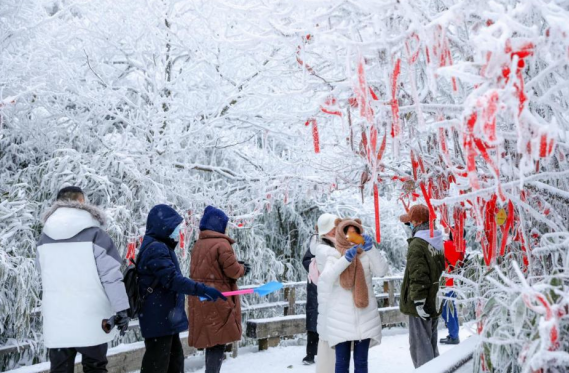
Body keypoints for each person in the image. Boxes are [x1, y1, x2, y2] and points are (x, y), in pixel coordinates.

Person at [36, 186, 130, 373]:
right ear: (81, 202)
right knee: (95, 368)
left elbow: (42, 272)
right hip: (91, 317)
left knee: (60, 370)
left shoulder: (44, 238)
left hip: (57, 320)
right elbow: (111, 277)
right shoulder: (96, 234)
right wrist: (122, 310)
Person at [137, 204, 226, 373]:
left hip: (163, 318)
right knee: (158, 365)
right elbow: (172, 279)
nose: (178, 232)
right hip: (158, 318)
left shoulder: (159, 245)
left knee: (174, 364)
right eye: (175, 228)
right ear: (164, 226)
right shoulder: (157, 248)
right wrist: (202, 290)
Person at [318, 218, 389, 373]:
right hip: (341, 320)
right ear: (341, 234)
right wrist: (346, 259)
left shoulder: (365, 255)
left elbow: (382, 271)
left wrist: (371, 250)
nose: (352, 236)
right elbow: (325, 280)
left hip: (365, 318)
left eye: (355, 232)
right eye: (348, 233)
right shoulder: (334, 255)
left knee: (361, 363)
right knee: (342, 364)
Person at [187, 206, 249, 373]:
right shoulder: (221, 244)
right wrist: (243, 268)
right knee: (217, 341)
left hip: (202, 296)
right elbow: (232, 271)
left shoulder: (199, 244)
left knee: (211, 340)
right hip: (217, 298)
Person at [399, 204, 445, 368]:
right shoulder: (438, 242)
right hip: (433, 299)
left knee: (420, 347)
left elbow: (418, 275)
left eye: (410, 222)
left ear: (417, 223)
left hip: (421, 302)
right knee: (430, 344)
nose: (409, 226)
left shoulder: (417, 245)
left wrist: (418, 301)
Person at [312, 213, 338, 372]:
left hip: (332, 307)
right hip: (331, 306)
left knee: (331, 351)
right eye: (335, 229)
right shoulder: (324, 250)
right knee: (329, 353)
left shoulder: (327, 247)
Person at [440, 231, 466, 345]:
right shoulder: (461, 245)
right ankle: (453, 334)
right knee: (450, 309)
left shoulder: (449, 245)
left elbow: (437, 244)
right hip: (454, 282)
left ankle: (454, 335)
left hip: (449, 282)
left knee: (448, 311)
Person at [301, 232, 319, 365]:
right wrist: (315, 266)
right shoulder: (315, 242)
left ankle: (332, 353)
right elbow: (306, 260)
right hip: (314, 286)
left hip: (331, 286)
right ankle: (310, 354)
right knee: (313, 320)